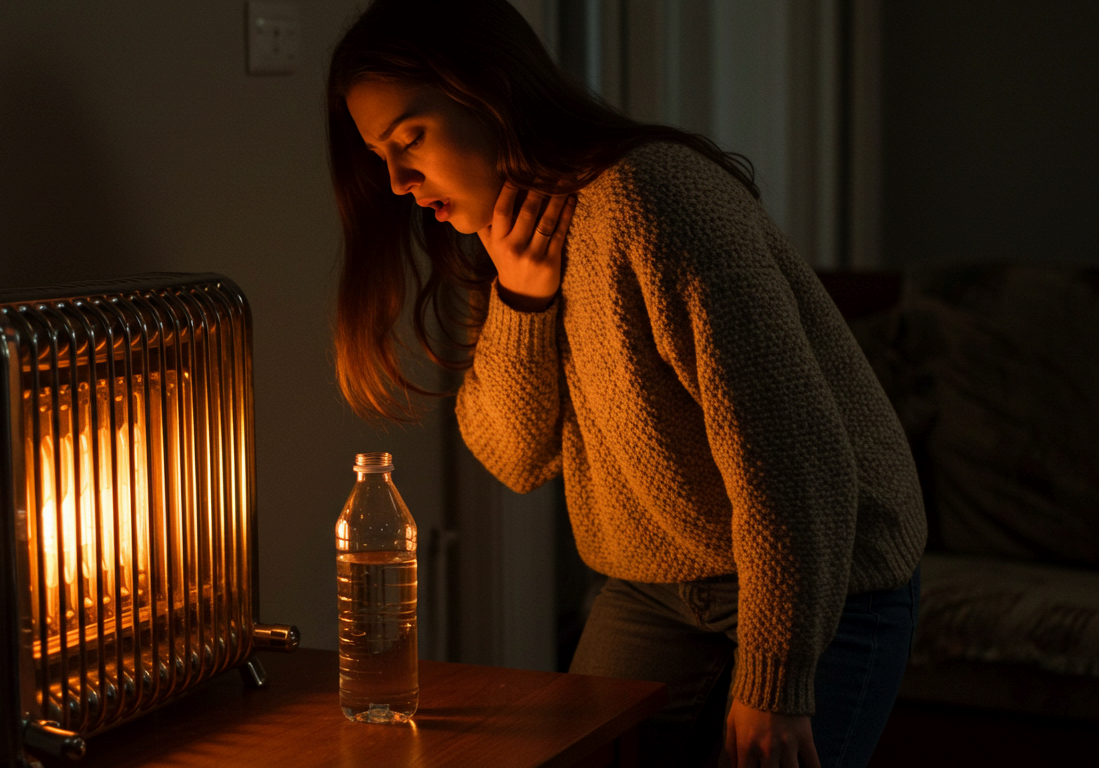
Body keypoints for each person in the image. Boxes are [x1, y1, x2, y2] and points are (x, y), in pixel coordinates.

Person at [326, 2, 926, 766]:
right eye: (381, 154)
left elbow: (798, 462)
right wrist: (523, 295)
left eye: (410, 138)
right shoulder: (517, 233)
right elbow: (514, 459)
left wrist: (776, 683)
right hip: (654, 585)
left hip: (823, 570)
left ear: (490, 92)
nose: (399, 181)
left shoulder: (652, 199)